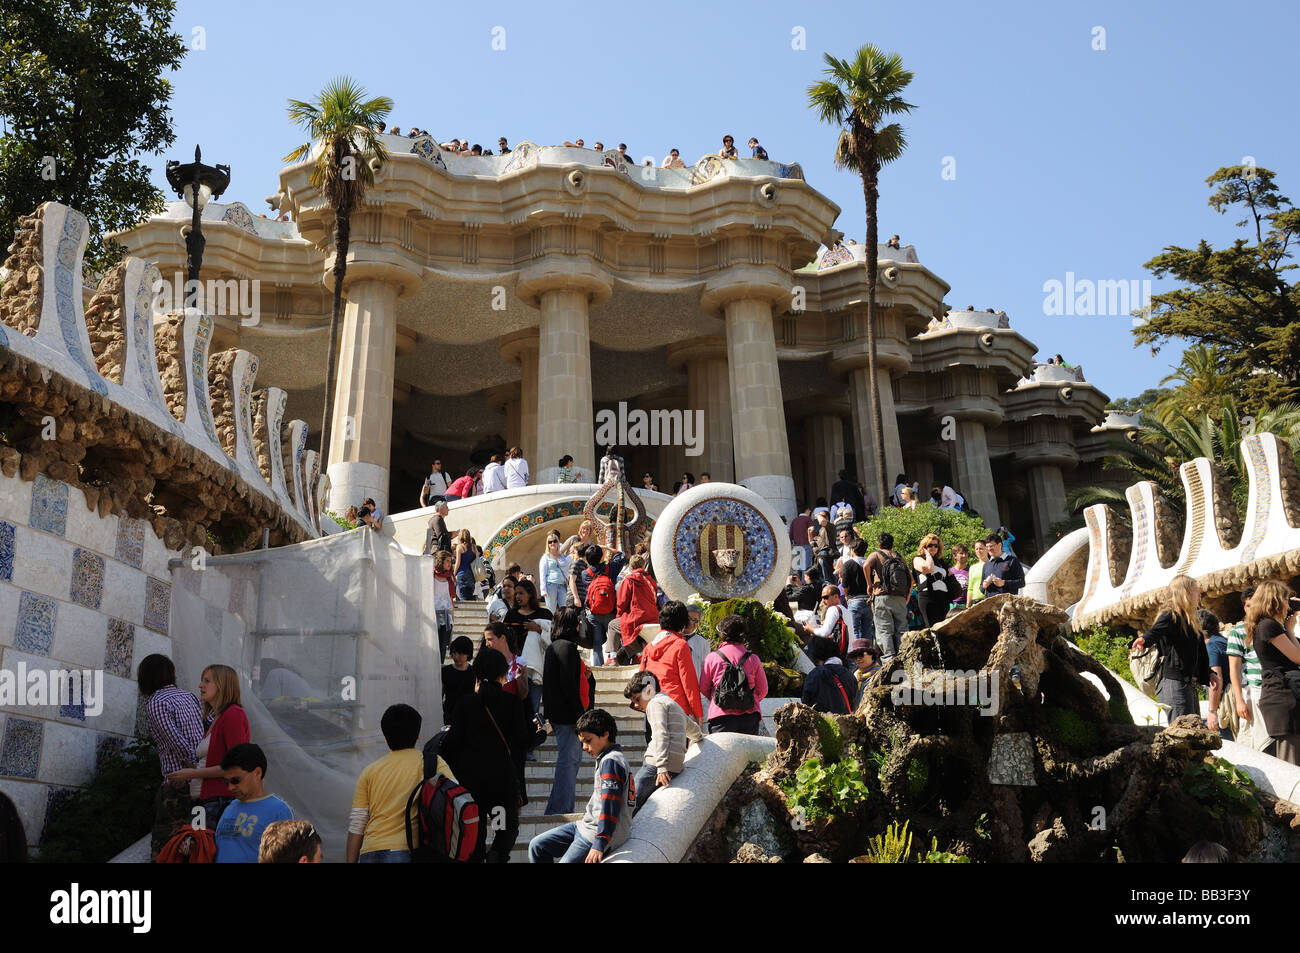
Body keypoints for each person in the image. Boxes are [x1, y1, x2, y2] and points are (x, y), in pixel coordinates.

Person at [441, 648, 534, 862]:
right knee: (502, 828)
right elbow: (521, 741)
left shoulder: (465, 704)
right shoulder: (511, 703)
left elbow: (453, 743)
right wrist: (540, 734)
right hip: (500, 784)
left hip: (470, 783)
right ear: (502, 673)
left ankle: (478, 855)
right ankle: (497, 853)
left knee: (475, 832)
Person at [528, 708, 633, 863]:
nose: (584, 747)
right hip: (585, 825)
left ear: (605, 734)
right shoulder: (607, 758)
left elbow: (610, 805)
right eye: (582, 742)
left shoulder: (612, 762)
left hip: (598, 833)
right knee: (537, 845)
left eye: (588, 741)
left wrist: (600, 843)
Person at [138, 653, 205, 860]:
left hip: (178, 783)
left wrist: (192, 771)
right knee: (195, 845)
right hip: (201, 780)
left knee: (167, 846)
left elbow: (177, 742)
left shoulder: (156, 702)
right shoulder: (190, 696)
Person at [167, 663, 249, 827]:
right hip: (204, 801)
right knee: (199, 849)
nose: (200, 685)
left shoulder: (234, 714)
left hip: (219, 801)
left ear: (222, 685)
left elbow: (237, 766)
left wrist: (192, 774)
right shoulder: (217, 718)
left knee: (205, 850)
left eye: (207, 681)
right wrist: (187, 775)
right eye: (201, 680)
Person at [347, 704, 424, 863]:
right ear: (418, 735)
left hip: (369, 852)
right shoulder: (430, 763)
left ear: (385, 738)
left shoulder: (370, 771)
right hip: (406, 851)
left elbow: (358, 823)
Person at [1130, 576, 1211, 720]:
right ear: (1184, 593)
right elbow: (1156, 631)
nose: (1199, 593)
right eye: (1195, 590)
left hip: (1188, 683)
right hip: (1174, 683)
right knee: (1182, 732)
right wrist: (1144, 639)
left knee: (1195, 731)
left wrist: (1209, 672)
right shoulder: (1171, 615)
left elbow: (1198, 652)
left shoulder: (1191, 620)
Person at [625, 670, 702, 815]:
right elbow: (691, 727)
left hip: (655, 766)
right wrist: (699, 737)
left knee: (630, 803)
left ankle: (617, 833)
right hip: (674, 766)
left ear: (649, 690)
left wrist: (661, 766)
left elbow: (660, 733)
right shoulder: (673, 704)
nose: (636, 705)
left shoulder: (654, 704)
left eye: (637, 699)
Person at [543, 607, 595, 815]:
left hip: (560, 714)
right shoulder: (566, 648)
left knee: (568, 760)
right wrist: (580, 715)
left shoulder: (556, 647)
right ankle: (562, 808)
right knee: (569, 761)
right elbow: (568, 684)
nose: (579, 626)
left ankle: (556, 807)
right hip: (568, 715)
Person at [1246, 580, 1300, 763]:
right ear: (1275, 600)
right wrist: (1290, 630)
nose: (1289, 604)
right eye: (1286, 599)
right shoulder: (1269, 626)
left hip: (1284, 699)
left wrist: (1289, 628)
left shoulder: (1267, 625)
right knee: (1292, 766)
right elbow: (1298, 658)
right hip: (1283, 700)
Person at [214, 744, 294, 863]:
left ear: (257, 773)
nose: (230, 787)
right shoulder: (229, 808)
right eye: (226, 782)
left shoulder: (279, 811)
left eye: (236, 780)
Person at [700, 613, 768, 735]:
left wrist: (719, 697)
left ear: (722, 634)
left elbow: (704, 688)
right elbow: (763, 690)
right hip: (749, 715)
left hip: (720, 715)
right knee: (748, 753)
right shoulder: (753, 659)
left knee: (721, 753)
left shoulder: (712, 658)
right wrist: (747, 698)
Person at [639, 601, 704, 721]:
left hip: (653, 707)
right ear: (682, 623)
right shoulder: (680, 645)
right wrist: (697, 712)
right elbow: (688, 681)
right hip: (675, 707)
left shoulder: (649, 647)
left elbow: (642, 678)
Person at [505, 579, 553, 725]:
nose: (518, 596)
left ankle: (531, 737)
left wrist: (538, 629)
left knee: (533, 704)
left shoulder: (544, 614)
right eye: (516, 593)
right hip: (514, 666)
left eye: (521, 593)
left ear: (531, 594)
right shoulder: (511, 615)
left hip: (535, 666)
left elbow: (554, 635)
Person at [1225, 588, 1267, 751]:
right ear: (1244, 607)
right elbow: (1234, 669)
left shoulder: (1270, 626)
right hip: (1252, 692)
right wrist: (1239, 700)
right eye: (1248, 606)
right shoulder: (1238, 632)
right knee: (1254, 742)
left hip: (1271, 689)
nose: (1252, 609)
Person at [580, 542, 626, 666]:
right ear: (601, 557)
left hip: (594, 612)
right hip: (611, 610)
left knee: (597, 642)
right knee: (615, 638)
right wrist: (608, 548)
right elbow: (622, 556)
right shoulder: (609, 568)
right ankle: (618, 661)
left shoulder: (585, 574)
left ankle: (598, 667)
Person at [865, 532, 909, 659]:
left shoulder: (876, 555)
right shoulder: (899, 557)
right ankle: (904, 657)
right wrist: (906, 595)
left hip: (882, 596)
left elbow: (866, 566)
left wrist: (870, 585)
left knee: (884, 630)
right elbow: (910, 579)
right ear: (893, 545)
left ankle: (889, 659)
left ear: (879, 544)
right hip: (900, 597)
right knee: (902, 629)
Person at [611, 552, 658, 665]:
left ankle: (612, 657)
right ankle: (636, 655)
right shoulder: (651, 581)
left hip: (637, 616)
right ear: (643, 566)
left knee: (613, 625)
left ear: (631, 567)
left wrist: (620, 615)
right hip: (653, 616)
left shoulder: (629, 580)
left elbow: (622, 601)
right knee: (625, 626)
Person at [801, 636, 858, 714]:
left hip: (824, 723)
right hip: (846, 722)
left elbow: (806, 704)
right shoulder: (850, 675)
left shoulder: (815, 675)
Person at [913, 533, 954, 627]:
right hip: (928, 597)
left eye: (936, 546)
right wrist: (927, 554)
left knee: (944, 628)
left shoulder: (941, 562)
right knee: (932, 629)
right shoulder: (918, 559)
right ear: (924, 547)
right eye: (930, 545)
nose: (933, 548)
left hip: (943, 598)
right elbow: (928, 569)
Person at [802, 584, 849, 658]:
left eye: (826, 597)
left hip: (839, 654)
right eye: (822, 598)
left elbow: (824, 633)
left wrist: (809, 628)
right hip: (848, 653)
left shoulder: (833, 609)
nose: (823, 601)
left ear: (836, 596)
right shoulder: (846, 610)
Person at [841, 543, 874, 641]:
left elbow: (845, 585)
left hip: (854, 600)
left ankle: (856, 655)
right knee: (867, 631)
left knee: (854, 631)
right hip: (868, 600)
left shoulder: (848, 564)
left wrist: (846, 596)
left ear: (853, 550)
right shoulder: (870, 563)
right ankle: (868, 655)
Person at [1202, 610, 1228, 738]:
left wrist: (1212, 712)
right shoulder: (1222, 641)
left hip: (1225, 707)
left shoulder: (1211, 645)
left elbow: (1216, 680)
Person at [442, 636, 477, 726]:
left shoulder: (474, 672)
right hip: (448, 715)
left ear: (468, 654)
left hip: (468, 715)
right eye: (454, 653)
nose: (456, 656)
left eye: (461, 653)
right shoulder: (445, 671)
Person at [980, 532, 1025, 597]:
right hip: (990, 604)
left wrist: (1004, 583)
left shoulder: (1012, 561)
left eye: (991, 546)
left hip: (1008, 603)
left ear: (1000, 545)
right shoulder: (986, 565)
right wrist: (984, 586)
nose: (989, 549)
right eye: (987, 547)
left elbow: (1021, 582)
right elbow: (981, 588)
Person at [432, 549, 456, 660]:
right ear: (440, 561)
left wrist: (453, 616)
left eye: (450, 561)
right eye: (447, 561)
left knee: (442, 646)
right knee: (432, 645)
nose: (449, 564)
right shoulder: (431, 575)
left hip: (446, 615)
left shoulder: (450, 577)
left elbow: (451, 597)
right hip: (433, 614)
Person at [538, 531, 570, 611]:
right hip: (551, 585)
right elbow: (542, 574)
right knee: (551, 609)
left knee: (563, 609)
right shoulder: (545, 557)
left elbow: (567, 569)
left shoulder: (562, 556)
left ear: (558, 543)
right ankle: (551, 623)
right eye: (550, 542)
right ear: (547, 544)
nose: (553, 543)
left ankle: (561, 623)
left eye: (555, 541)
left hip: (562, 585)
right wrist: (543, 590)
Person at [847, 639, 882, 706]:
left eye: (860, 655)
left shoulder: (880, 673)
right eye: (855, 656)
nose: (858, 659)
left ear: (871, 654)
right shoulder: (856, 674)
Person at [789, 503, 814, 583]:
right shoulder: (808, 519)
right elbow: (812, 531)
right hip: (806, 545)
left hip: (796, 546)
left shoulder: (794, 520)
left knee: (797, 567)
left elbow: (790, 535)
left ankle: (797, 584)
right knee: (805, 567)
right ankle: (804, 584)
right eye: (809, 510)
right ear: (806, 510)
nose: (810, 511)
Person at [812, 509, 837, 587]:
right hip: (818, 557)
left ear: (827, 518)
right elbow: (813, 544)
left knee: (828, 580)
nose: (820, 517)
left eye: (822, 516)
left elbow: (822, 521)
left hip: (825, 555)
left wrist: (817, 515)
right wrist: (810, 533)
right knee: (821, 581)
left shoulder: (830, 526)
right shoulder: (820, 530)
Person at [452, 529, 476, 600]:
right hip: (471, 574)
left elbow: (458, 562)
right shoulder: (473, 547)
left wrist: (454, 574)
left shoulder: (459, 547)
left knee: (463, 596)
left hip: (462, 573)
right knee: (470, 595)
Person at [967, 539, 989, 606]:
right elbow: (970, 588)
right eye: (976, 549)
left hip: (988, 600)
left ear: (987, 549)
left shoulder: (992, 565)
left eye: (981, 548)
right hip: (975, 602)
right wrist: (968, 606)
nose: (978, 551)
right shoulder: (972, 568)